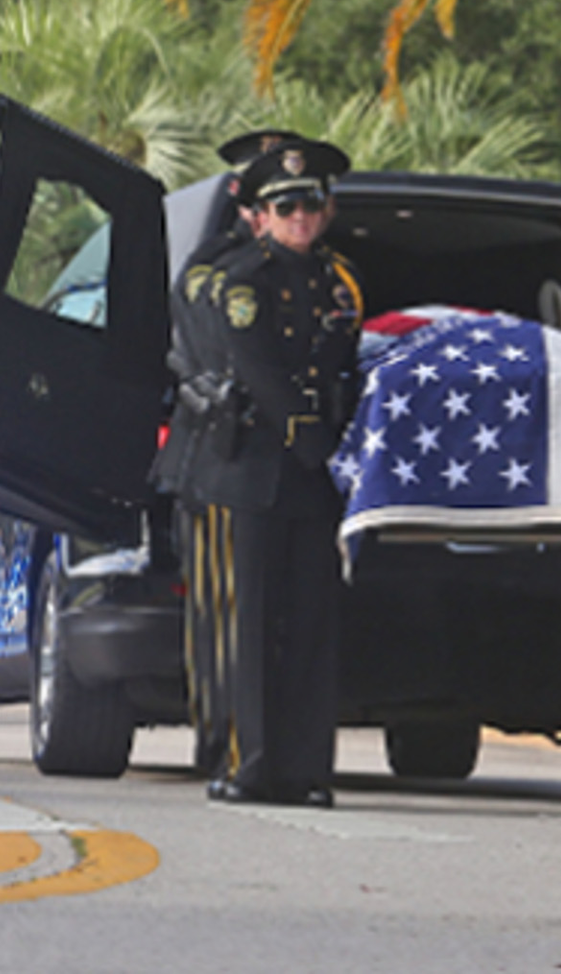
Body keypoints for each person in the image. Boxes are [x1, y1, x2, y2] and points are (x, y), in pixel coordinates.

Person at [169, 136, 362, 808]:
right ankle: (244, 764)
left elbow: (343, 364)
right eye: (285, 208)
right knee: (242, 625)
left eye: (308, 206)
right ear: (261, 214)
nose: (299, 219)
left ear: (326, 209)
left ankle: (307, 769)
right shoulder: (243, 279)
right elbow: (258, 369)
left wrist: (334, 446)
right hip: (247, 468)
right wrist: (309, 437)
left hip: (311, 478)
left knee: (311, 624)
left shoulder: (339, 281)